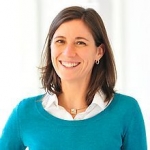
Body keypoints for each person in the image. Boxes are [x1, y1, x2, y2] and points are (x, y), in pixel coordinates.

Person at [0, 6, 147, 150]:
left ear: (99, 52)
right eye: (60, 41)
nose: (68, 52)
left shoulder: (126, 110)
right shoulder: (25, 112)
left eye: (80, 42)